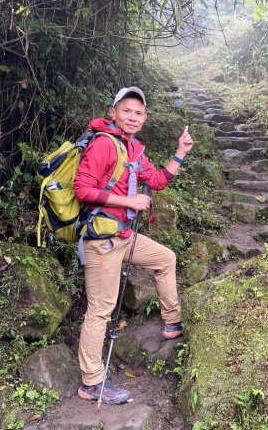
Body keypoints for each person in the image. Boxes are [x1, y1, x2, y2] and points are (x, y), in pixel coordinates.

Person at [73, 86, 193, 405]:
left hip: (125, 236)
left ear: (145, 119)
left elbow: (157, 182)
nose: (133, 117)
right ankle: (92, 382)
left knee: (165, 258)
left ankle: (172, 322)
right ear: (113, 112)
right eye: (127, 110)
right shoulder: (103, 145)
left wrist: (180, 152)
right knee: (100, 310)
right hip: (102, 241)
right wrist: (129, 200)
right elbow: (82, 190)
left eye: (139, 113)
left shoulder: (134, 150)